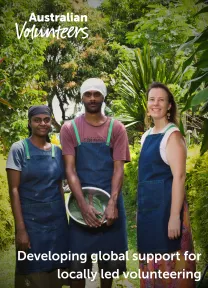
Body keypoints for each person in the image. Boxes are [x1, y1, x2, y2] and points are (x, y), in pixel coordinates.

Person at [60, 78, 130, 288]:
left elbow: (119, 169)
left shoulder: (116, 128)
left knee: (109, 265)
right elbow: (70, 170)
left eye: (97, 94)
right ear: (81, 97)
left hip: (110, 205)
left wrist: (112, 204)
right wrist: (82, 204)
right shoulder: (70, 128)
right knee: (77, 267)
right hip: (80, 206)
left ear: (103, 97)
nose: (92, 98)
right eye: (88, 94)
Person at [137, 82, 196, 287]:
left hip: (168, 213)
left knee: (173, 267)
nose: (156, 103)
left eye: (161, 100)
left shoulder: (173, 136)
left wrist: (174, 218)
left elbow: (179, 177)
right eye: (152, 99)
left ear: (169, 105)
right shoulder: (146, 137)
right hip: (149, 216)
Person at [6, 105, 69, 288]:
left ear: (50, 123)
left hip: (56, 224)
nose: (42, 123)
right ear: (30, 123)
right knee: (32, 275)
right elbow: (14, 190)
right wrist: (21, 230)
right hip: (31, 224)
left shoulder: (57, 152)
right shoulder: (19, 149)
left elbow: (59, 186)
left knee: (56, 275)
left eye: (46, 119)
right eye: (37, 120)